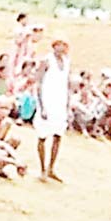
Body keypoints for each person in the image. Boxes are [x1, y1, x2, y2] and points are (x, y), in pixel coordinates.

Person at [34, 35, 70, 183]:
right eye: (59, 44)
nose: (62, 48)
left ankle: (51, 168)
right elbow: (38, 83)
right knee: (43, 136)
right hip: (47, 101)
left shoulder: (66, 61)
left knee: (58, 135)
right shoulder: (46, 61)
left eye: (64, 45)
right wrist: (42, 105)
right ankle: (42, 169)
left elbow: (66, 84)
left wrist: (67, 104)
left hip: (60, 102)